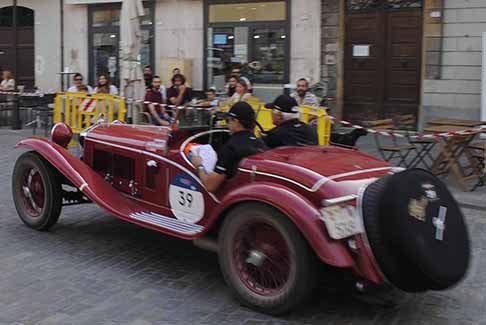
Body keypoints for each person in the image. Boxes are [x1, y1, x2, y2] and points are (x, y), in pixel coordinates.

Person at [191, 102, 264, 192]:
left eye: (228, 120)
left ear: (236, 122)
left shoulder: (230, 148)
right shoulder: (260, 143)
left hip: (232, 195)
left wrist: (199, 165)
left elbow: (210, 185)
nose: (227, 124)